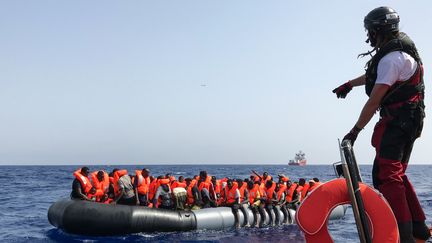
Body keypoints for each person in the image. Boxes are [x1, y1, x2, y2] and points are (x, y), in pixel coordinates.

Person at [333, 6, 430, 242]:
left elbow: (375, 98)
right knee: (396, 173)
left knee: (387, 175)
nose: (369, 36)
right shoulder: (399, 54)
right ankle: (418, 229)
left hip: (399, 123)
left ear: (379, 30)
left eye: (370, 31)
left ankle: (403, 235)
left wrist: (354, 132)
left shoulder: (392, 59)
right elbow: (375, 75)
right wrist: (349, 84)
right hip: (409, 121)